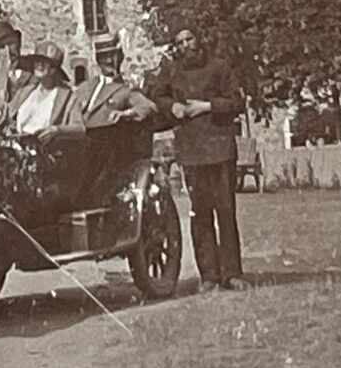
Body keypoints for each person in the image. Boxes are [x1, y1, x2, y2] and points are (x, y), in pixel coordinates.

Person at [151, 27, 247, 293]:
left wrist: (206, 107)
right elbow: (157, 96)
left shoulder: (219, 67)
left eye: (189, 39)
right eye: (179, 42)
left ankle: (232, 273)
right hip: (192, 152)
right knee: (200, 214)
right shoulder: (172, 72)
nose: (185, 46)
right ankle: (209, 276)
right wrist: (173, 107)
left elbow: (238, 102)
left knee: (226, 212)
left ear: (199, 39)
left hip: (220, 148)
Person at [68, 32, 158, 203]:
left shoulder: (125, 90)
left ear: (120, 57)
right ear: (97, 60)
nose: (109, 61)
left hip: (105, 145)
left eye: (112, 56)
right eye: (103, 57)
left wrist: (125, 114)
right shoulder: (85, 87)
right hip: (78, 142)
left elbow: (148, 107)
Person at [5, 41, 74, 142]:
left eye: (45, 62)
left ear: (53, 69)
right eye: (37, 61)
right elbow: (8, 116)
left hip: (48, 150)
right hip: (19, 148)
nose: (39, 65)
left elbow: (79, 127)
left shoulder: (67, 95)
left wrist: (57, 130)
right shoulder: (27, 91)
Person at [0, 20, 33, 102]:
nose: (8, 50)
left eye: (11, 43)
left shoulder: (32, 68)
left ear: (18, 43)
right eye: (2, 47)